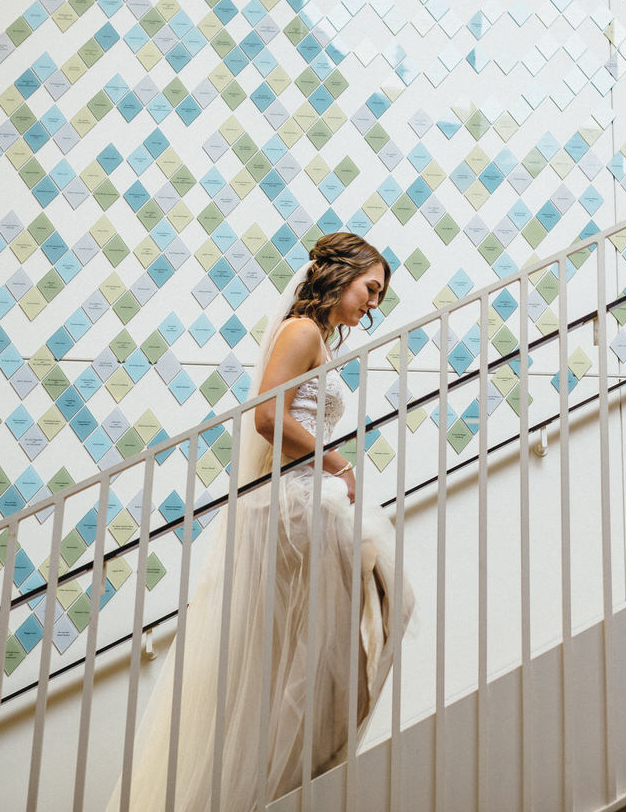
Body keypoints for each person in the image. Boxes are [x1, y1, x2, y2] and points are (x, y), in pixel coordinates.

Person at [107, 231, 412, 811]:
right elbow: (267, 416)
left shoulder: (319, 340)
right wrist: (338, 461)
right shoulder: (300, 331)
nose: (373, 305)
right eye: (370, 289)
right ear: (341, 276)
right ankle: (297, 768)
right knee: (345, 618)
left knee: (330, 633)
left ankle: (301, 768)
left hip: (306, 493)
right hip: (294, 498)